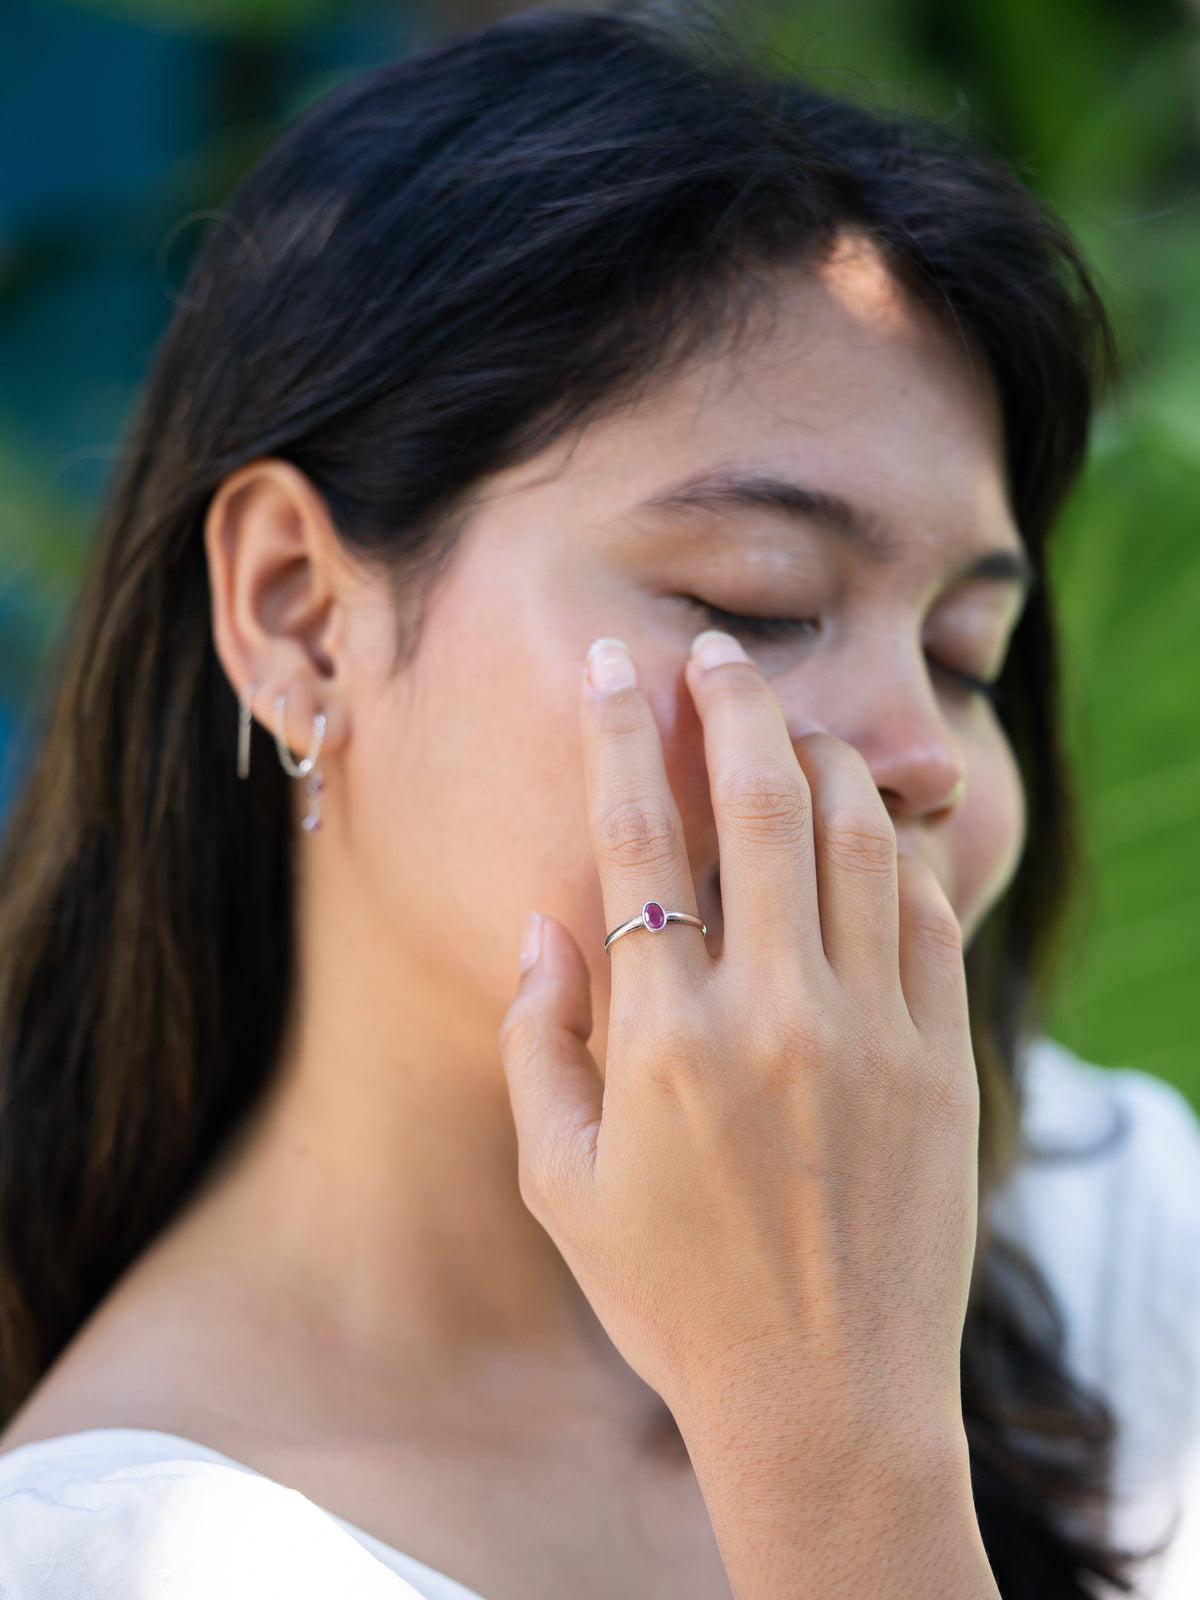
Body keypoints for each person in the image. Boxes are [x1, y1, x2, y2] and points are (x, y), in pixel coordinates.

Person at [0, 9, 1197, 1598]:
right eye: (755, 600)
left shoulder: (1120, 1230)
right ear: (299, 611)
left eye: (967, 654)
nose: (923, 749)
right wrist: (833, 1446)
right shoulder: (125, 1555)